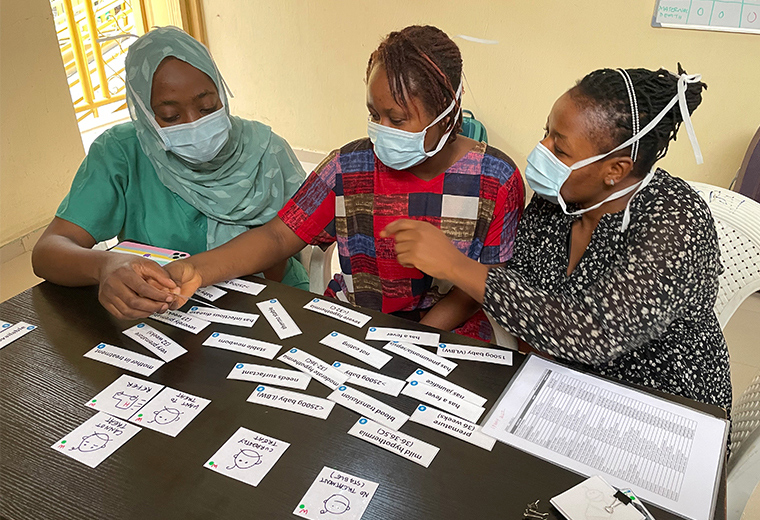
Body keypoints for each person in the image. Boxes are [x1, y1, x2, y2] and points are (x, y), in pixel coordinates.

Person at [382, 66, 732, 412]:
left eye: (560, 149)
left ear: (615, 170)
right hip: (562, 383)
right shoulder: (558, 199)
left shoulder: (675, 219)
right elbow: (521, 286)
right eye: (546, 132)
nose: (542, 150)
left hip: (662, 403)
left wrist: (456, 265)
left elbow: (590, 332)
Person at [165, 25, 525, 341]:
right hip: (357, 326)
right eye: (374, 114)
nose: (381, 130)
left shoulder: (494, 180)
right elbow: (278, 236)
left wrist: (415, 339)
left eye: (397, 120)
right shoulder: (348, 167)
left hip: (447, 332)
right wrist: (197, 269)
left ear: (448, 112)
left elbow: (483, 283)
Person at [32, 27, 309, 319]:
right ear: (144, 114)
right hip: (165, 314)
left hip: (268, 306)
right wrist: (104, 266)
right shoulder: (122, 154)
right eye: (170, 117)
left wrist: (197, 270)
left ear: (221, 94)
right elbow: (48, 252)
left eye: (207, 106)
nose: (194, 124)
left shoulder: (264, 150)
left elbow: (284, 237)